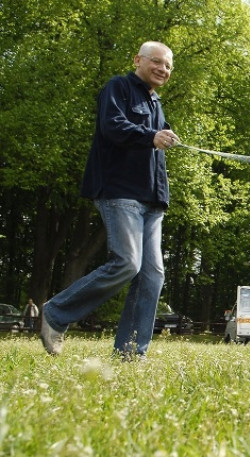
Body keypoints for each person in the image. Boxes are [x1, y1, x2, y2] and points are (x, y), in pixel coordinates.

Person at [40, 41, 180, 358]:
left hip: (152, 201)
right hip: (120, 192)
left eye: (168, 66)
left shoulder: (156, 103)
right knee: (127, 263)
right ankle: (56, 313)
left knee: (152, 275)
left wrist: (162, 139)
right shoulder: (118, 87)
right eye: (157, 62)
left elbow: (153, 149)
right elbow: (112, 126)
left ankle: (130, 354)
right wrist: (150, 136)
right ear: (138, 60)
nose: (163, 69)